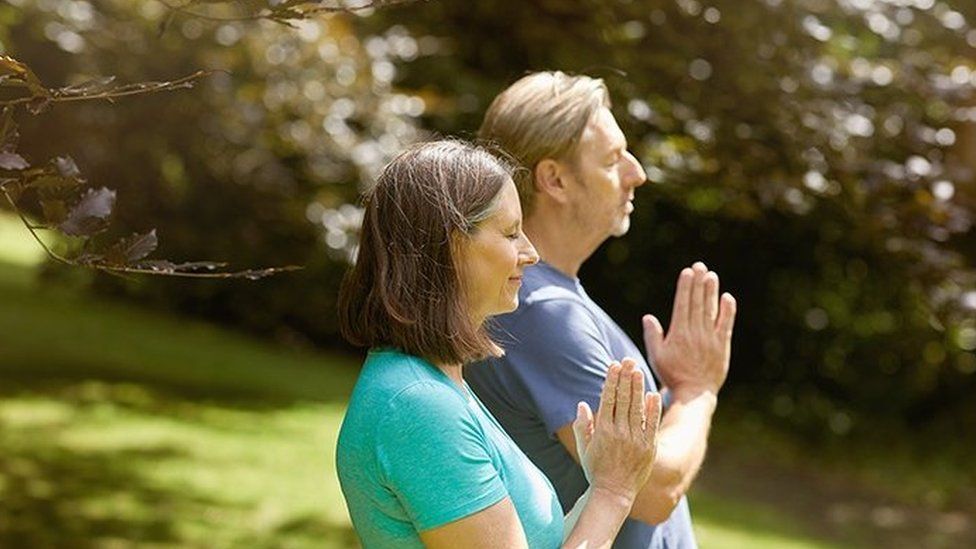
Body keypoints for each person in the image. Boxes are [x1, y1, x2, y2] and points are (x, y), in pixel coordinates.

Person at [335, 139, 666, 548]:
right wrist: (614, 492)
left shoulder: (437, 385)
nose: (530, 252)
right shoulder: (417, 406)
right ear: (450, 246)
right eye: (511, 233)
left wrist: (602, 481)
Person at [466, 72, 737, 549]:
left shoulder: (544, 298)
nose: (637, 172)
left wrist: (672, 395)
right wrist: (698, 391)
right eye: (614, 159)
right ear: (555, 179)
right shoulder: (542, 312)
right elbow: (651, 490)